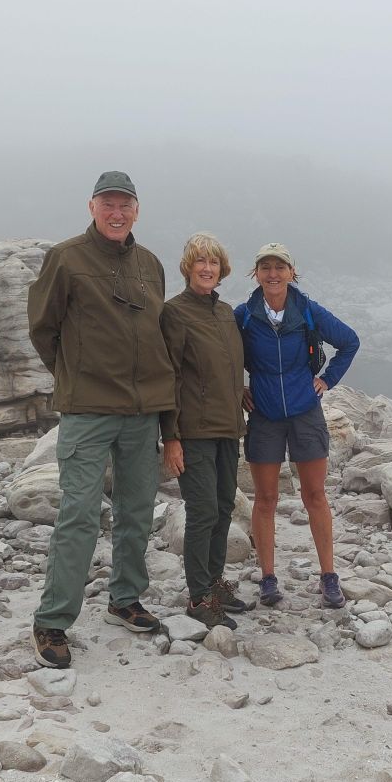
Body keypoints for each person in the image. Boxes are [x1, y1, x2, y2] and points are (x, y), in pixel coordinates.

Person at [25, 171, 175, 669]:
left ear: (137, 210)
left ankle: (124, 599)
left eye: (125, 205)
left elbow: (158, 333)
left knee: (136, 511)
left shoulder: (150, 264)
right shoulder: (66, 258)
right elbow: (43, 329)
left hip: (141, 412)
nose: (117, 213)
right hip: (88, 410)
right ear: (92, 207)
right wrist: (75, 375)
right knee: (80, 513)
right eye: (108, 204)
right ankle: (52, 620)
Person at [235, 242, 359, 609]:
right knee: (266, 499)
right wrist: (237, 387)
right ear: (256, 274)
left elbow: (349, 342)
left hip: (305, 412)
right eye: (266, 267)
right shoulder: (244, 315)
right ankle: (268, 578)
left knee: (315, 495)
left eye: (280, 267)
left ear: (292, 272)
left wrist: (327, 380)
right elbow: (222, 355)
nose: (273, 274)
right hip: (264, 414)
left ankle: (329, 576)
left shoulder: (307, 310)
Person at [159, 232, 251, 630]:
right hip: (193, 430)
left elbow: (224, 365)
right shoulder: (175, 313)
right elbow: (170, 376)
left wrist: (239, 390)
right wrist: (171, 437)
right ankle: (198, 598)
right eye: (200, 261)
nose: (207, 268)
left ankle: (214, 584)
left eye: (213, 262)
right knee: (202, 512)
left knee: (224, 506)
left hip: (228, 426)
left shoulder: (225, 312)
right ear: (188, 267)